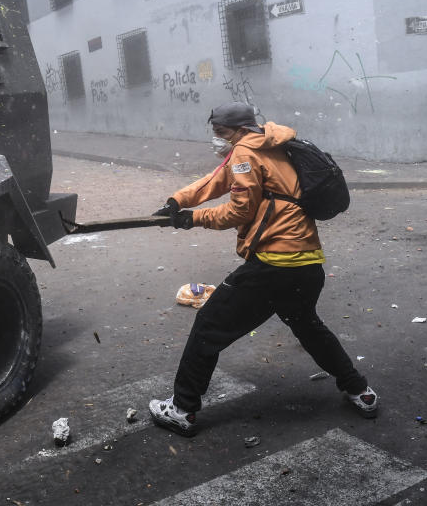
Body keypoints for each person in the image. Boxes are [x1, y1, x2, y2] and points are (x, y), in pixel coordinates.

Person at [147, 102, 375, 437]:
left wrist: (193, 219)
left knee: (209, 326)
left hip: (273, 266)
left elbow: (238, 212)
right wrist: (178, 201)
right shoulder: (270, 146)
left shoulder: (243, 152)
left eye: (219, 133)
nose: (216, 140)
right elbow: (216, 180)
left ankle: (182, 409)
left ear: (236, 130)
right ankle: (360, 391)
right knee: (308, 326)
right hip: (308, 263)